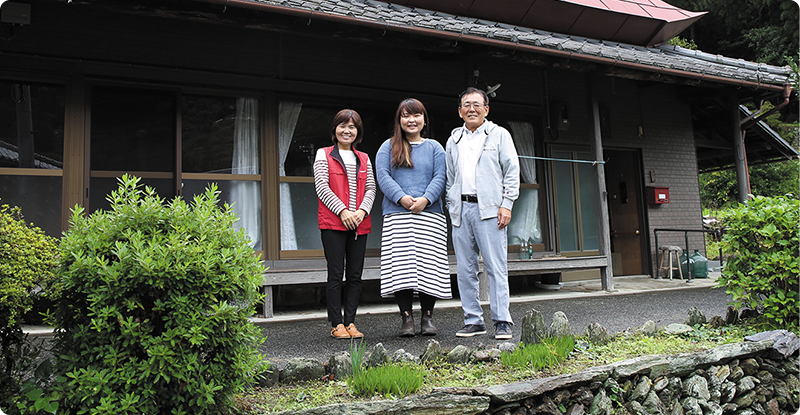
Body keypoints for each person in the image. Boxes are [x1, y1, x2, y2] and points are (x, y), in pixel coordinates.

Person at [445, 87, 520, 340]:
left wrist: (506, 204)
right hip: (461, 210)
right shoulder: (454, 139)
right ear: (459, 111)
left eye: (477, 104)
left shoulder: (499, 135)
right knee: (465, 269)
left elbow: (512, 171)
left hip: (490, 209)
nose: (472, 109)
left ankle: (502, 320)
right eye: (466, 105)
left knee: (495, 267)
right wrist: (451, 204)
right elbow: (450, 178)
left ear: (486, 109)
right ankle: (473, 320)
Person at [376, 98, 451, 337]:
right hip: (397, 215)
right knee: (402, 268)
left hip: (430, 215)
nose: (411, 120)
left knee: (430, 267)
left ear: (424, 119)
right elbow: (383, 176)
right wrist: (402, 198)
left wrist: (426, 199)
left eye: (416, 115)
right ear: (399, 120)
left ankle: (427, 317)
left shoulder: (435, 147)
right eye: (406, 115)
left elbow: (441, 176)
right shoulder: (388, 146)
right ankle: (406, 318)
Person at [313, 109, 377, 339]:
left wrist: (361, 211)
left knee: (355, 275)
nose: (346, 130)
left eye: (352, 127)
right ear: (335, 129)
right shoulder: (324, 154)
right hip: (333, 223)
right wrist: (343, 211)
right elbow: (322, 186)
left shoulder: (364, 158)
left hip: (359, 223)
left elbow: (371, 188)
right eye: (342, 125)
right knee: (335, 273)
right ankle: (336, 323)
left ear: (357, 132)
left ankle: (350, 322)